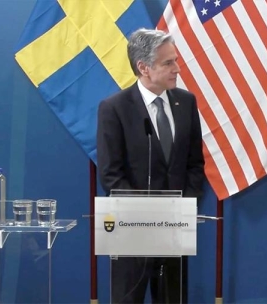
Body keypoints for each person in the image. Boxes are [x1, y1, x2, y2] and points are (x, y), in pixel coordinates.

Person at [97, 28, 205, 303]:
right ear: (143, 67)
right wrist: (148, 216)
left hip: (175, 230)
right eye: (168, 63)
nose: (177, 69)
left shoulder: (186, 102)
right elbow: (111, 175)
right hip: (132, 231)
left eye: (176, 61)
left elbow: (194, 164)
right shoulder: (115, 108)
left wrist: (185, 208)